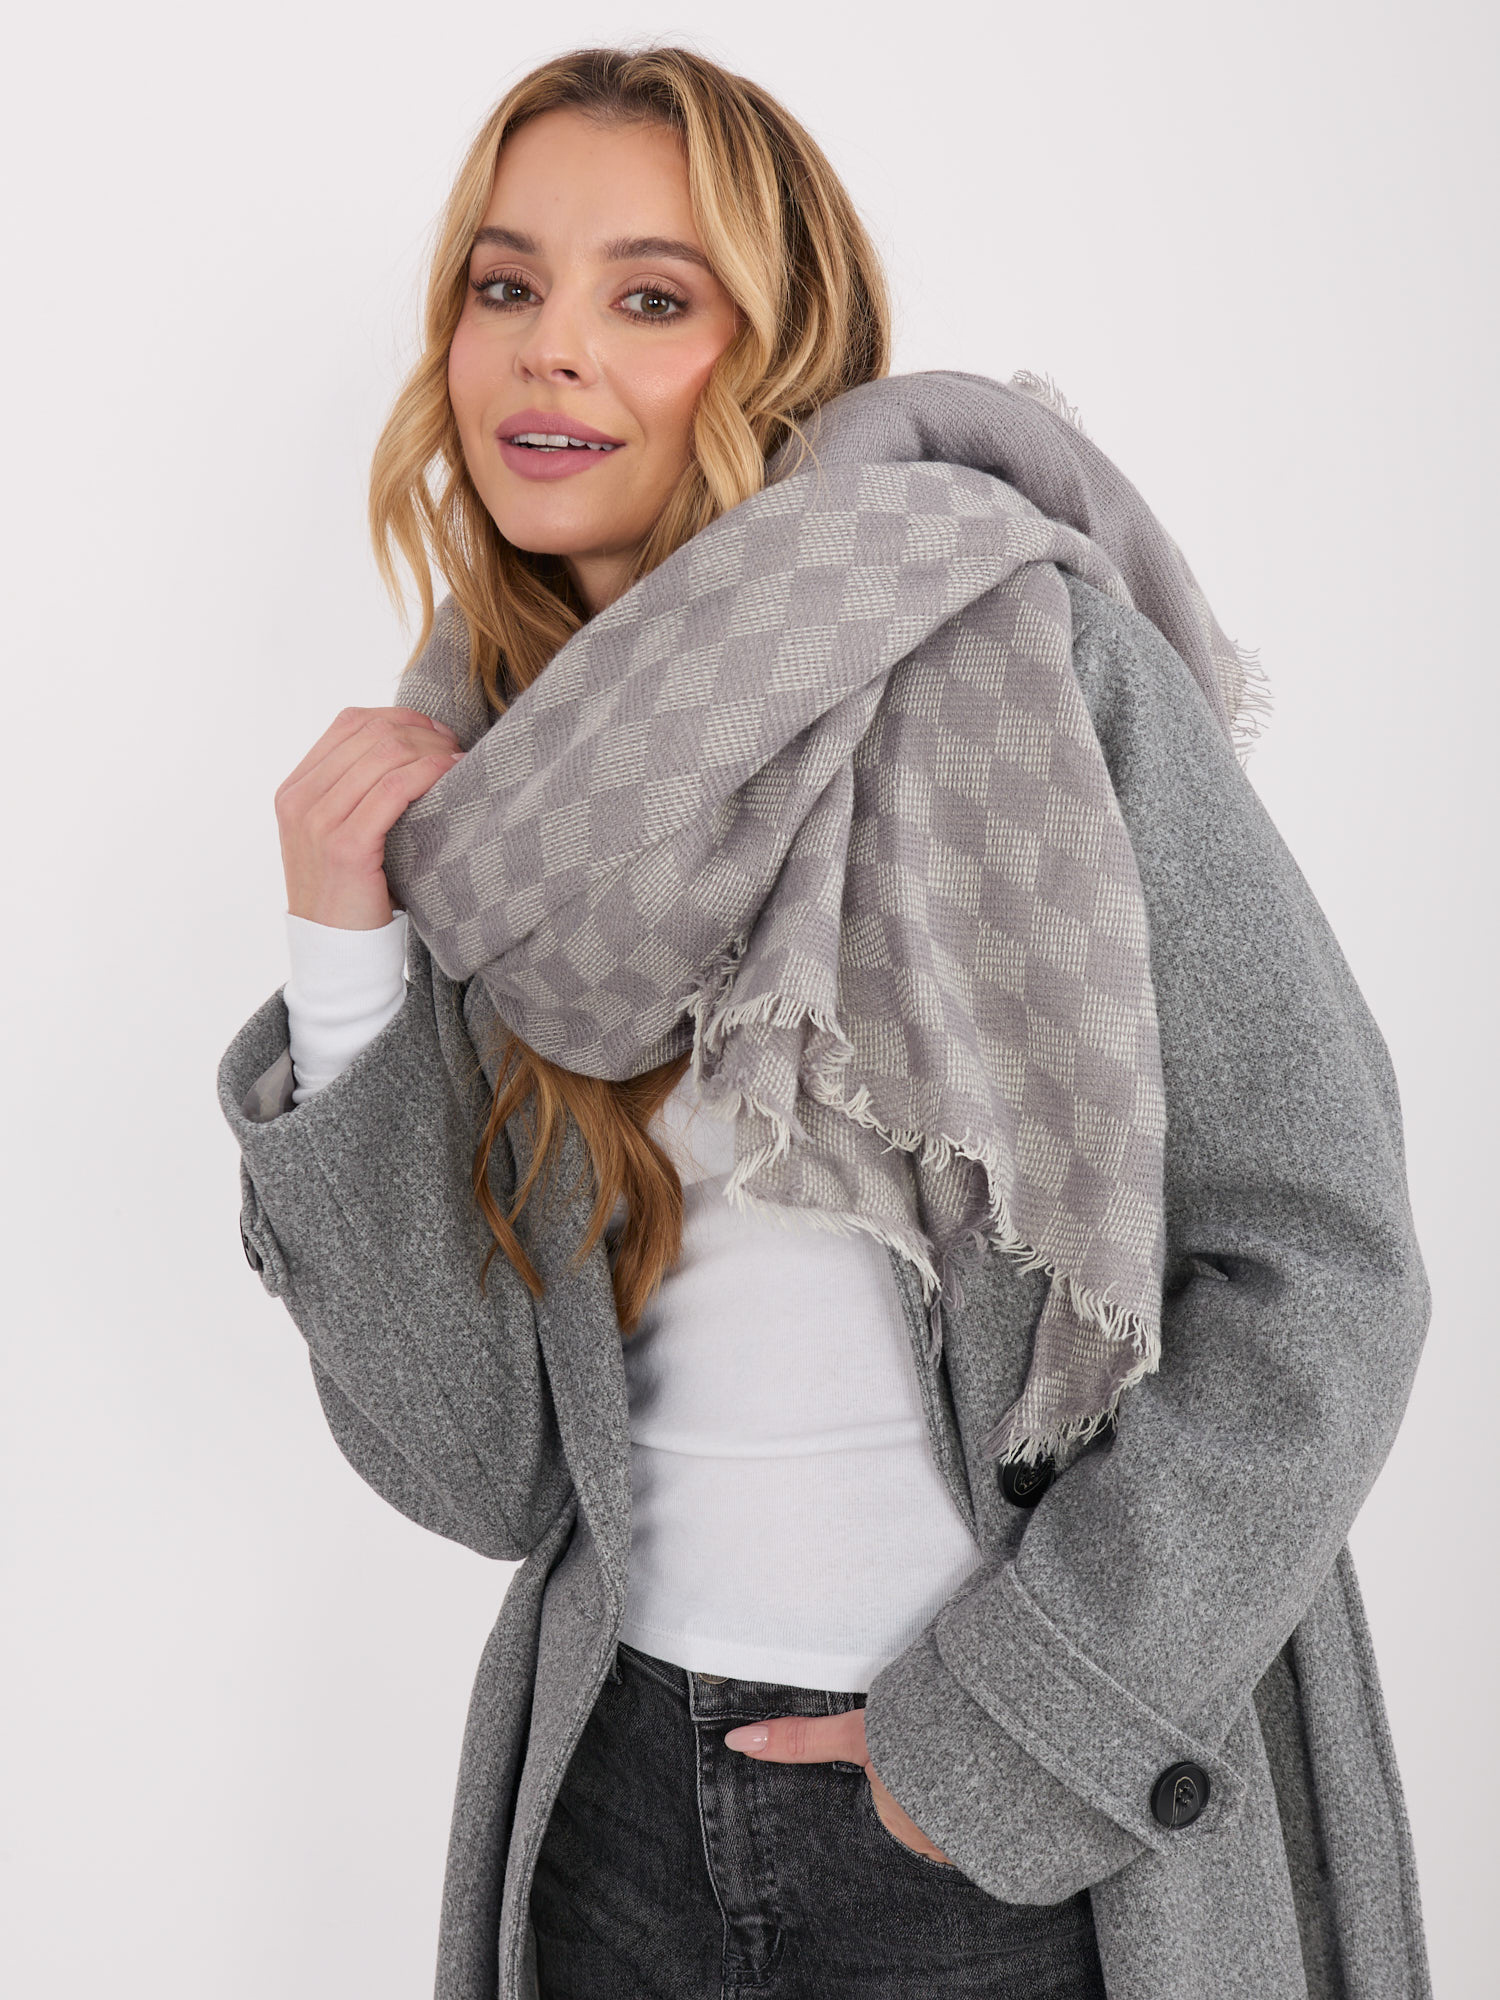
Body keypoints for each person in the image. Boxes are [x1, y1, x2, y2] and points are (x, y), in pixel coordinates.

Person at [217, 44, 1433, 2000]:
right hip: (617, 1818)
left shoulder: (1020, 656)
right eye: (507, 285)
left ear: (778, 349)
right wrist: (347, 961)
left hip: (1024, 1842)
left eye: (650, 296)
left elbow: (1321, 1262)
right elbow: (481, 1469)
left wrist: (1006, 1740)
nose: (551, 347)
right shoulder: (487, 800)